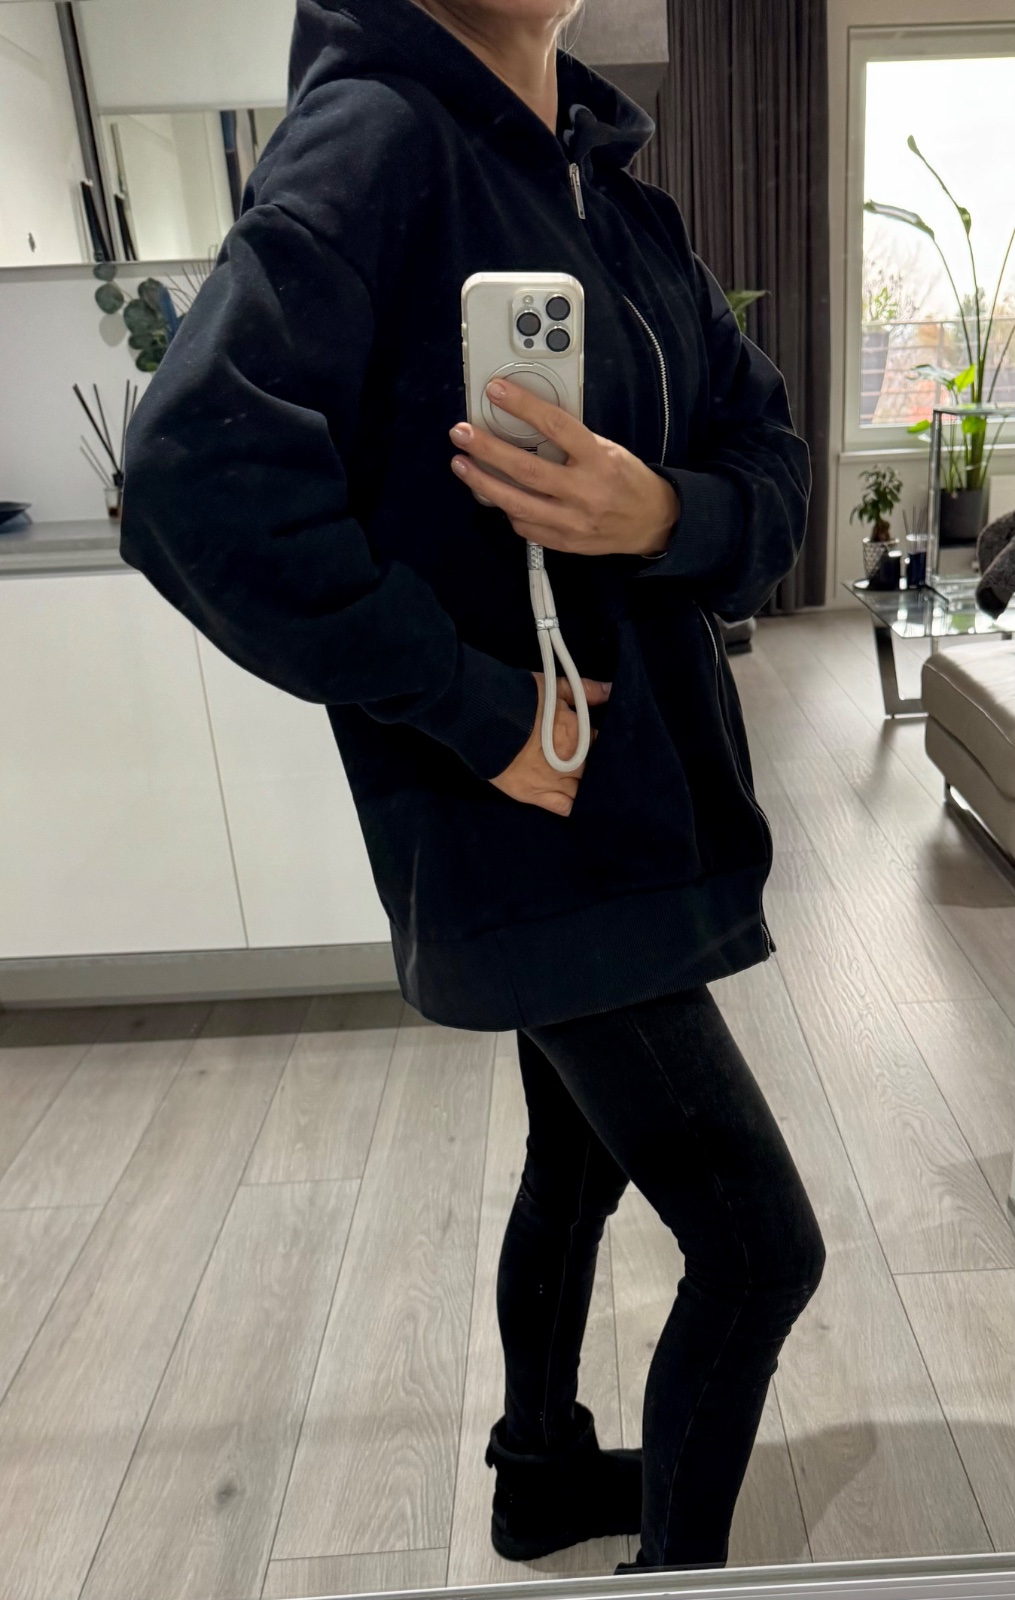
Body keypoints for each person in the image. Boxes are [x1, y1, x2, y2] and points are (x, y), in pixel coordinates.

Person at [119, 0, 826, 1572]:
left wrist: (664, 513)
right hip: (532, 841)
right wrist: (476, 705)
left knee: (577, 1165)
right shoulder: (377, 141)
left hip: (640, 812)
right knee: (761, 1250)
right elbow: (192, 480)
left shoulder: (618, 203)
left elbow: (772, 462)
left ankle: (539, 1475)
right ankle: (682, 1579)